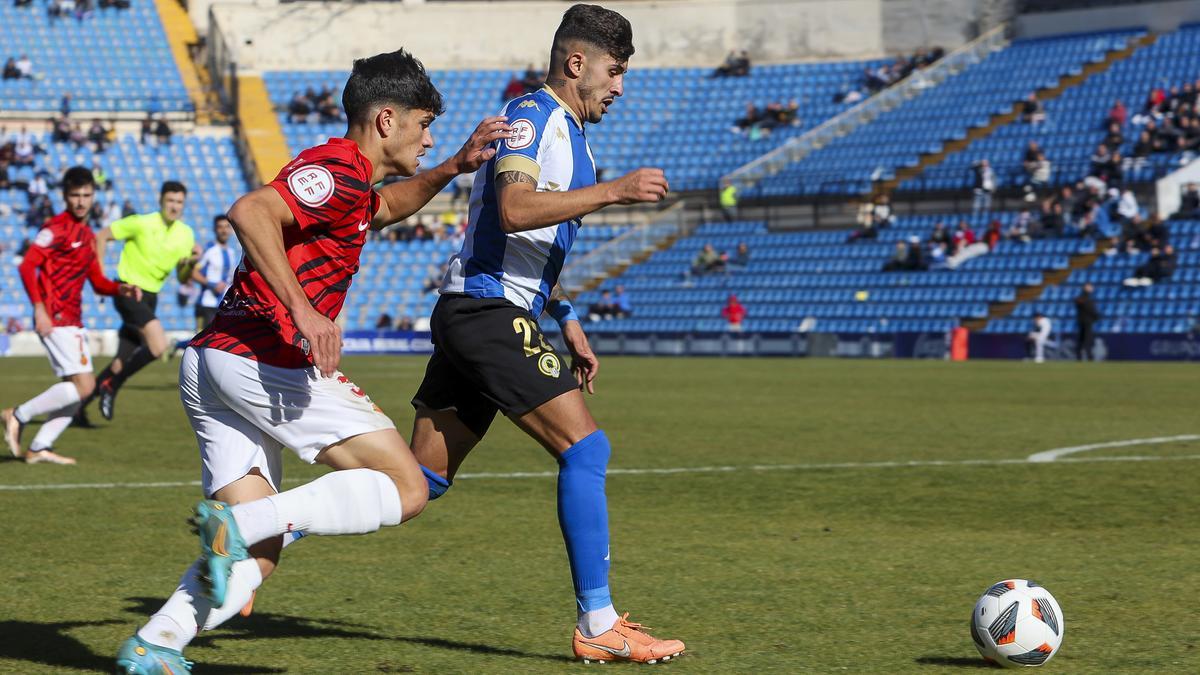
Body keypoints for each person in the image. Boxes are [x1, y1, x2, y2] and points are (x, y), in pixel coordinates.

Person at [114, 49, 512, 673]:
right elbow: (249, 211)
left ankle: (155, 644)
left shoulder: (357, 187)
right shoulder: (335, 168)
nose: (428, 138)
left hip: (216, 364)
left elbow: (384, 209)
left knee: (258, 554)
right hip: (261, 360)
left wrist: (453, 168)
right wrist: (303, 310)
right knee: (407, 487)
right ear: (386, 119)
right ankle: (241, 525)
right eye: (423, 124)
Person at [406, 6, 683, 664]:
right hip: (487, 309)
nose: (620, 88)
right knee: (586, 449)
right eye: (615, 72)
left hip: (489, 310)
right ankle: (598, 621)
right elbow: (513, 208)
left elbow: (532, 245)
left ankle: (261, 524)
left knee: (417, 483)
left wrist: (569, 322)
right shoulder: (533, 115)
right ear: (576, 62)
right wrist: (614, 192)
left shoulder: (570, 134)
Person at [1, 167, 140, 464]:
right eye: (75, 195)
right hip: (55, 316)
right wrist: (39, 309)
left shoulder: (88, 237)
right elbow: (27, 266)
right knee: (85, 387)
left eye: (86, 195)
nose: (80, 201)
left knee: (76, 391)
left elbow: (98, 282)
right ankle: (18, 414)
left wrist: (121, 288)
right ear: (65, 196)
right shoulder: (56, 228)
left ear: (93, 196)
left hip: (73, 319)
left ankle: (39, 447)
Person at [80, 181, 199, 424]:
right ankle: (112, 386)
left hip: (151, 298)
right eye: (170, 201)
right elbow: (101, 236)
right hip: (128, 291)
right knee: (158, 346)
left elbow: (182, 277)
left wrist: (192, 263)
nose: (174, 206)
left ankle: (77, 408)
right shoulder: (141, 222)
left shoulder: (185, 234)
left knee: (119, 362)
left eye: (179, 202)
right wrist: (101, 277)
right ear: (161, 201)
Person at [191, 215, 236, 331]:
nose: (224, 230)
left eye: (227, 227)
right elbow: (193, 273)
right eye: (220, 227)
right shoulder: (208, 250)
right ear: (215, 229)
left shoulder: (231, 253)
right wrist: (212, 284)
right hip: (206, 305)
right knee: (202, 341)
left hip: (224, 306)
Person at [1074, 283, 1100, 361]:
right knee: (1086, 339)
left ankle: (1081, 356)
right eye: (1090, 287)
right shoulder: (1084, 299)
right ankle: (1088, 356)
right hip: (1086, 322)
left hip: (1084, 321)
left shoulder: (1085, 298)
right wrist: (1096, 316)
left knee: (1082, 339)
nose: (1091, 289)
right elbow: (1091, 309)